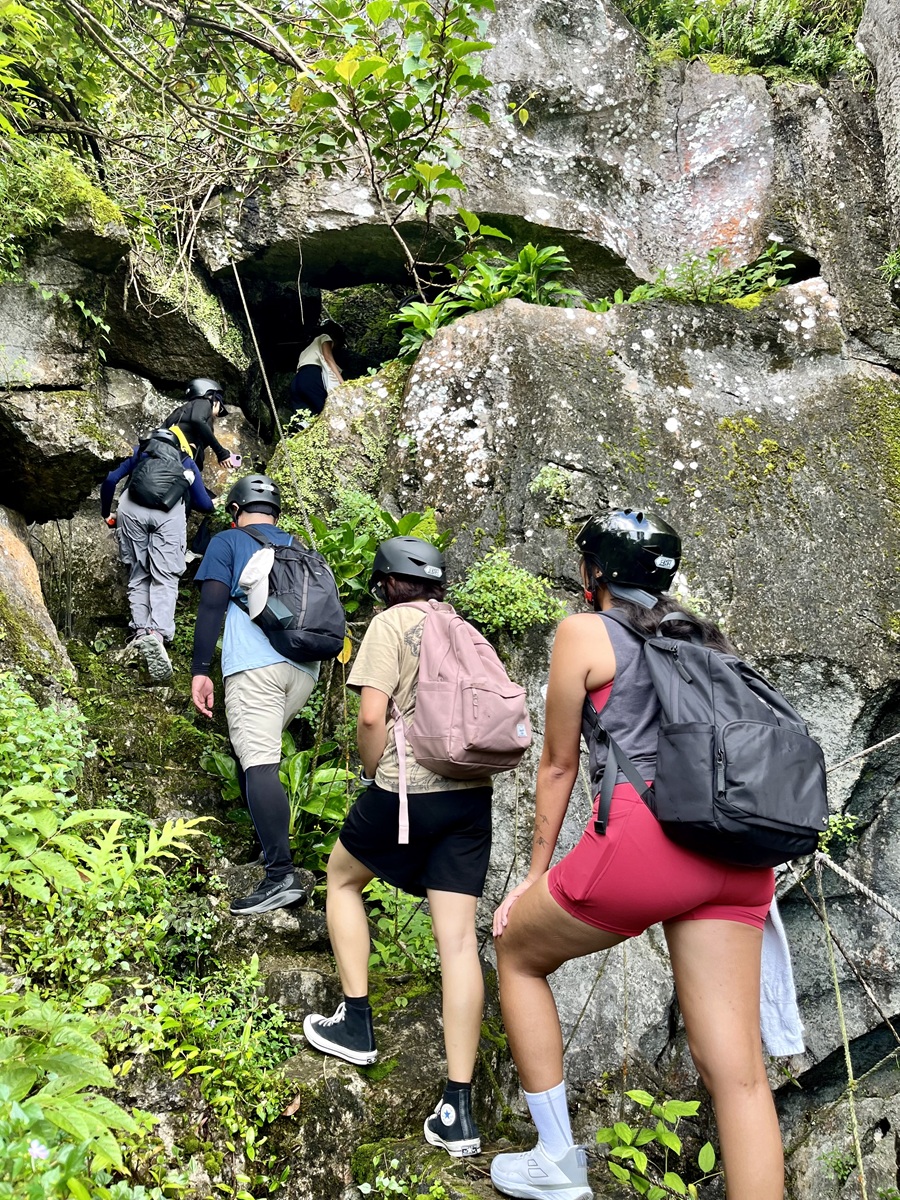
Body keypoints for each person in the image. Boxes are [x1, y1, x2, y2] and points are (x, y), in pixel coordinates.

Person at [490, 509, 782, 1200]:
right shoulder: (709, 642)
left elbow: (558, 764)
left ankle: (556, 1160)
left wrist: (532, 878)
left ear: (594, 572)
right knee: (739, 1076)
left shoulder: (585, 632)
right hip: (742, 856)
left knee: (516, 950)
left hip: (648, 841)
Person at [303, 537, 491, 1158]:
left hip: (410, 785)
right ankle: (458, 1110)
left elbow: (370, 717)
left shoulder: (390, 624)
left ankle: (356, 1024)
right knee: (457, 942)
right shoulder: (463, 628)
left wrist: (373, 770)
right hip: (472, 794)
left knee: (341, 878)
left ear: (387, 582)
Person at [190, 474, 320, 915]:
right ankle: (271, 851)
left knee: (260, 762)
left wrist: (200, 671)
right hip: (304, 670)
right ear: (276, 513)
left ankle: (281, 876)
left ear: (235, 509)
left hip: (255, 666)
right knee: (255, 756)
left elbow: (211, 604)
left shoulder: (228, 541)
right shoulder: (299, 548)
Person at [101, 428, 214, 683]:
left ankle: (141, 631)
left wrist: (106, 512)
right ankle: (157, 634)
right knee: (165, 576)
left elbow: (110, 480)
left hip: (131, 509)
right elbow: (204, 505)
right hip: (169, 513)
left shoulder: (139, 453)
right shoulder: (185, 461)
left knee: (138, 572)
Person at [165, 377, 241, 473]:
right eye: (220, 407)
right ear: (214, 399)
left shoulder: (177, 413)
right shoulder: (204, 402)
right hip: (183, 463)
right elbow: (197, 419)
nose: (217, 414)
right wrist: (222, 453)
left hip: (165, 459)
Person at [288, 322, 344, 418]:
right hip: (311, 376)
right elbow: (328, 358)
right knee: (326, 412)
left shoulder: (305, 351)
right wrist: (343, 383)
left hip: (296, 381)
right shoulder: (325, 337)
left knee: (303, 417)